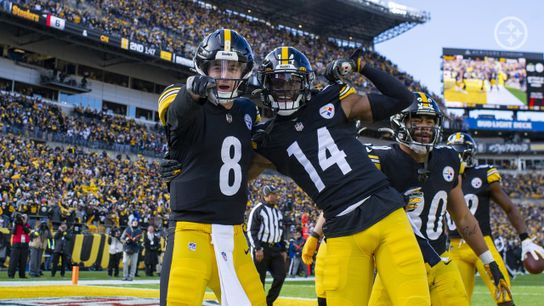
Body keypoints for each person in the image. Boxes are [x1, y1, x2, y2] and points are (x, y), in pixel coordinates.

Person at [251, 47, 430, 306]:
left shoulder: (333, 100)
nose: (285, 90)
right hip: (341, 229)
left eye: (292, 82)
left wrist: (362, 66)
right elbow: (230, 176)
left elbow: (401, 99)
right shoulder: (266, 139)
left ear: (306, 82)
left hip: (386, 214)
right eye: (277, 83)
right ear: (265, 86)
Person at [364, 93, 511, 306]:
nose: (425, 127)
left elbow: (463, 218)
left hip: (440, 259)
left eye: (429, 121)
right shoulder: (382, 160)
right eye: (417, 120)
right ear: (400, 122)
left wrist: (489, 262)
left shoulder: (448, 159)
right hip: (398, 263)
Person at [157, 29, 265, 306]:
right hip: (190, 229)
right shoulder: (183, 96)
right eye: (217, 66)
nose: (225, 74)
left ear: (244, 71)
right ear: (203, 68)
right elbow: (175, 118)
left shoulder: (248, 110)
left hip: (234, 232)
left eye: (233, 67)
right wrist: (192, 93)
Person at [446, 132, 544, 306]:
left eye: (462, 152)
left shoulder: (484, 174)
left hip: (483, 243)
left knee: (503, 294)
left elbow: (509, 207)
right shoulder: (443, 177)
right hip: (454, 247)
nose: (459, 156)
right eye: (455, 152)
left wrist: (525, 238)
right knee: (454, 301)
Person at [247, 185, 287, 306]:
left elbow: (280, 232)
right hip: (262, 249)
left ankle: (267, 302)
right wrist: (258, 248)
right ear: (265, 196)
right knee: (260, 280)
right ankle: (258, 303)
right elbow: (251, 231)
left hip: (275, 249)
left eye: (275, 194)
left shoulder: (277, 212)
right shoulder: (258, 209)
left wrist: (283, 249)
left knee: (280, 276)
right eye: (271, 194)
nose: (274, 196)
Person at [8, 213, 30, 279]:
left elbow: (27, 231)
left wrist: (22, 225)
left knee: (23, 261)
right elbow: (13, 232)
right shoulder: (16, 224)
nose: (22, 219)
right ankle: (11, 274)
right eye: (21, 218)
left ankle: (22, 275)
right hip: (16, 244)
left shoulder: (27, 225)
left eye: (24, 218)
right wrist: (16, 224)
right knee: (14, 260)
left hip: (24, 244)